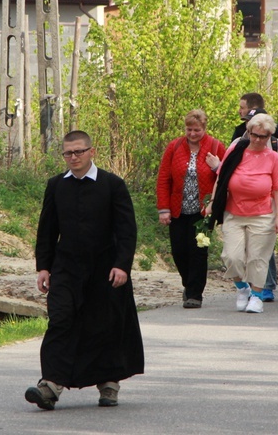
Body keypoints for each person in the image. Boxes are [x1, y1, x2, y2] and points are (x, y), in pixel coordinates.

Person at [25, 131, 144, 410]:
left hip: (105, 268)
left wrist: (122, 265)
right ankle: (51, 385)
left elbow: (127, 230)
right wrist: (43, 267)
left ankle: (109, 384)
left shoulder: (112, 185)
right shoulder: (56, 186)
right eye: (68, 153)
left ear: (92, 152)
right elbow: (47, 231)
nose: (73, 157)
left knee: (104, 324)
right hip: (66, 267)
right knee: (60, 319)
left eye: (79, 151)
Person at [208, 113, 278, 314]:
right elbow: (221, 177)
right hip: (234, 213)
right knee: (231, 256)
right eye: (255, 135)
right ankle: (242, 288)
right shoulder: (235, 150)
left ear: (269, 136)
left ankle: (257, 297)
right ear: (248, 132)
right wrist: (212, 203)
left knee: (257, 258)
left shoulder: (273, 157)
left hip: (263, 215)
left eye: (263, 136)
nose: (258, 140)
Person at [157, 110, 226, 308]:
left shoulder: (215, 146)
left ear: (204, 128)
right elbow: (163, 179)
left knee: (198, 250)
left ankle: (195, 293)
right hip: (178, 209)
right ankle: (188, 284)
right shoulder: (174, 146)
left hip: (204, 211)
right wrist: (163, 208)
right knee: (179, 250)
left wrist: (216, 166)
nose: (193, 133)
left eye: (197, 130)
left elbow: (226, 174)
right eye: (189, 129)